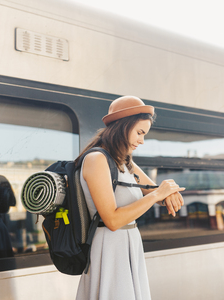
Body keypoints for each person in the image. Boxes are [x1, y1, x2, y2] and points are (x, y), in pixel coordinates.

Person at [75, 96, 185, 300]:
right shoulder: (96, 159)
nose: (142, 140)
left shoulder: (125, 163)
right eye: (139, 132)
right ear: (122, 127)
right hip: (109, 247)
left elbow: (152, 191)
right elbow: (113, 220)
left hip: (129, 243)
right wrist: (159, 194)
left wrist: (168, 192)